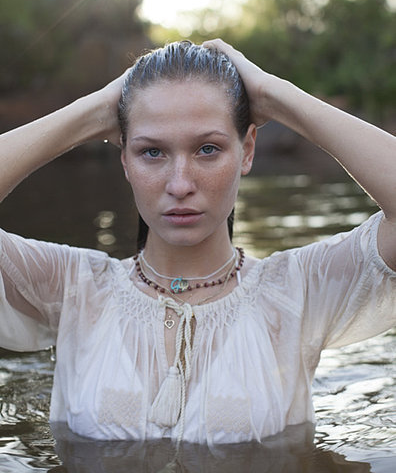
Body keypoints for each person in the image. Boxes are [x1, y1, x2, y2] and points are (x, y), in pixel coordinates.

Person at [0, 39, 395, 450]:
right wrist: (93, 111)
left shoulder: (297, 290)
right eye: (151, 151)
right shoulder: (72, 287)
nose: (180, 184)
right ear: (124, 160)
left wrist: (274, 95)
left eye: (208, 149)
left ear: (247, 150)